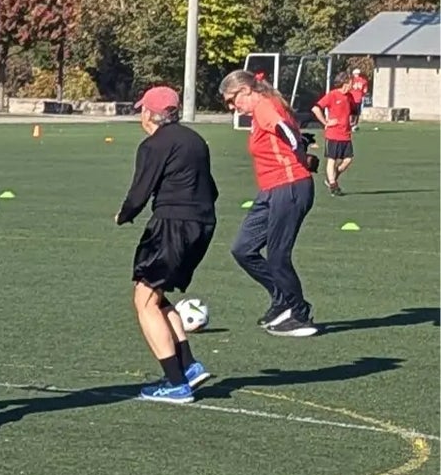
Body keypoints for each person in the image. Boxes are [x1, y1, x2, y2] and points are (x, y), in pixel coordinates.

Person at [114, 85, 218, 403]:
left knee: (143, 300)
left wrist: (124, 214)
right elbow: (211, 189)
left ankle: (175, 383)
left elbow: (139, 192)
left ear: (149, 113)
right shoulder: (195, 140)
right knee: (156, 296)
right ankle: (189, 366)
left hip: (173, 225)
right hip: (203, 225)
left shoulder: (154, 144)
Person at [220, 67, 319, 336]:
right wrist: (300, 145)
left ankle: (300, 314)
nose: (232, 107)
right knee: (243, 248)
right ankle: (281, 299)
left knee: (277, 256)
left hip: (289, 187)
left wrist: (296, 145)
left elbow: (284, 129)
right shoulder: (263, 109)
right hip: (271, 190)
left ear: (245, 90)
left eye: (232, 100)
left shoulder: (264, 106)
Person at [311, 73, 357, 195]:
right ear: (345, 82)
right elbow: (316, 108)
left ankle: (331, 178)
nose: (353, 84)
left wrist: (352, 120)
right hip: (333, 134)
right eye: (351, 81)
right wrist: (325, 122)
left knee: (348, 160)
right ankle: (333, 185)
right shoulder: (332, 95)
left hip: (346, 134)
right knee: (332, 160)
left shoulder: (349, 96)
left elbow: (353, 110)